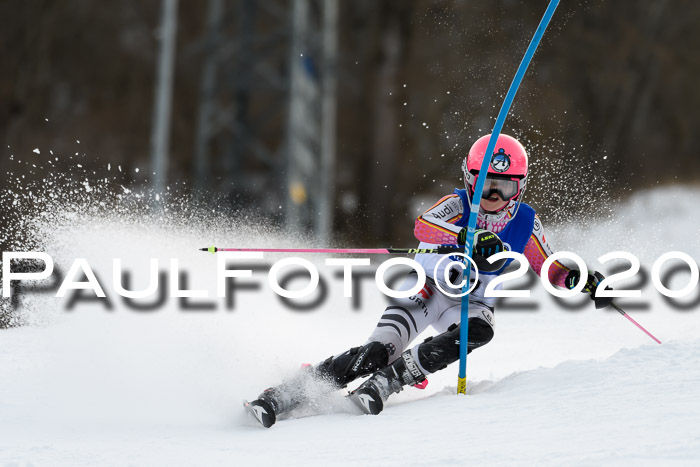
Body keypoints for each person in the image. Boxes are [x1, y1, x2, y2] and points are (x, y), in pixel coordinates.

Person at [245, 133, 611, 427]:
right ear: (470, 181)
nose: (494, 197)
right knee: (376, 353)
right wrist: (468, 235)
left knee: (479, 330)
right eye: (486, 187)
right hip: (427, 289)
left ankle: (394, 379)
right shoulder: (457, 205)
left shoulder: (526, 223)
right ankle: (289, 391)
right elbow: (424, 224)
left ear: (521, 188)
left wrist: (581, 279)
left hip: (472, 301)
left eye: (506, 188)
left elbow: (550, 269)